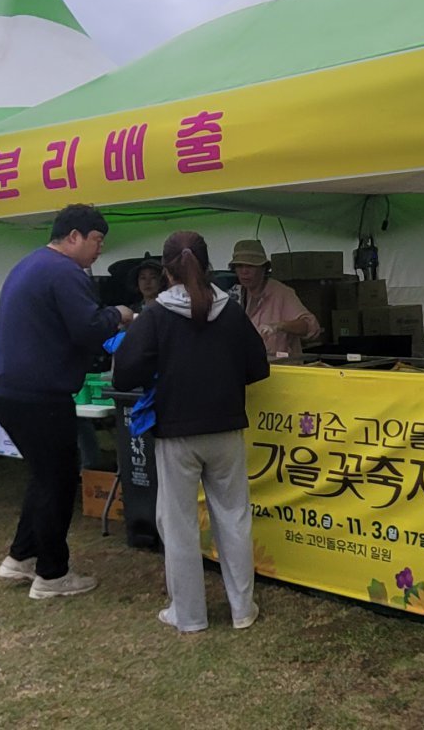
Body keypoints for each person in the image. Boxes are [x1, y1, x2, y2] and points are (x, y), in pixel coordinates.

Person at [113, 231, 269, 632]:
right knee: (234, 518)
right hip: (226, 428)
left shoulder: (156, 316)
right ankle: (242, 610)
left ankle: (189, 615)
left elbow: (125, 371)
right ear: (208, 264)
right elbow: (259, 367)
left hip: (176, 432)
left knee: (178, 523)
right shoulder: (230, 310)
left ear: (166, 272)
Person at [0, 203, 135, 599]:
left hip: (8, 390)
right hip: (39, 394)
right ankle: (52, 575)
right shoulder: (65, 272)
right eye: (96, 241)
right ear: (73, 236)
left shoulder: (29, 264)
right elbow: (87, 328)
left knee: (43, 475)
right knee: (58, 480)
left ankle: (20, 557)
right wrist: (120, 314)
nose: (98, 251)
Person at [228, 239, 321, 355]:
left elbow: (310, 327)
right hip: (248, 369)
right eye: (239, 266)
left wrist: (279, 326)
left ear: (263, 268)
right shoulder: (234, 294)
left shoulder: (282, 293)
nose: (244, 271)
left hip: (281, 369)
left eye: (250, 266)